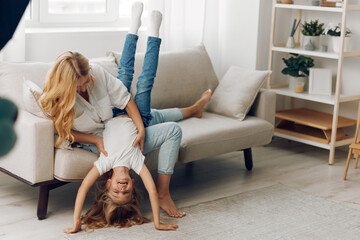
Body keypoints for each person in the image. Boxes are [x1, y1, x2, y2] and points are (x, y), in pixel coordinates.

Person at [39, 2, 212, 233]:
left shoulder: (105, 161)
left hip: (118, 115)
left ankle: (191, 109)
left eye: (85, 82)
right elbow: (64, 133)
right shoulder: (134, 163)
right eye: (127, 191)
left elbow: (122, 98)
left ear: (108, 184)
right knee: (145, 83)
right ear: (132, 185)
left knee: (126, 78)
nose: (84, 88)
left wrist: (77, 223)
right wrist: (158, 222)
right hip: (123, 121)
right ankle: (154, 34)